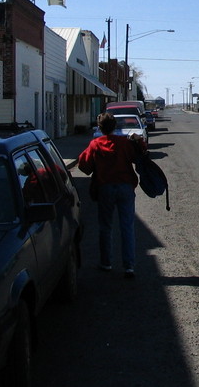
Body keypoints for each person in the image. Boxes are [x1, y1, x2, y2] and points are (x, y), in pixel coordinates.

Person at [78, 112, 147, 279]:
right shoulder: (124, 143)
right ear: (115, 126)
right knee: (127, 226)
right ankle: (129, 266)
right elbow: (139, 156)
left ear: (100, 127)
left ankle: (106, 262)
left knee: (105, 226)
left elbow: (84, 166)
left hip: (105, 187)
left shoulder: (95, 144)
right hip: (125, 187)